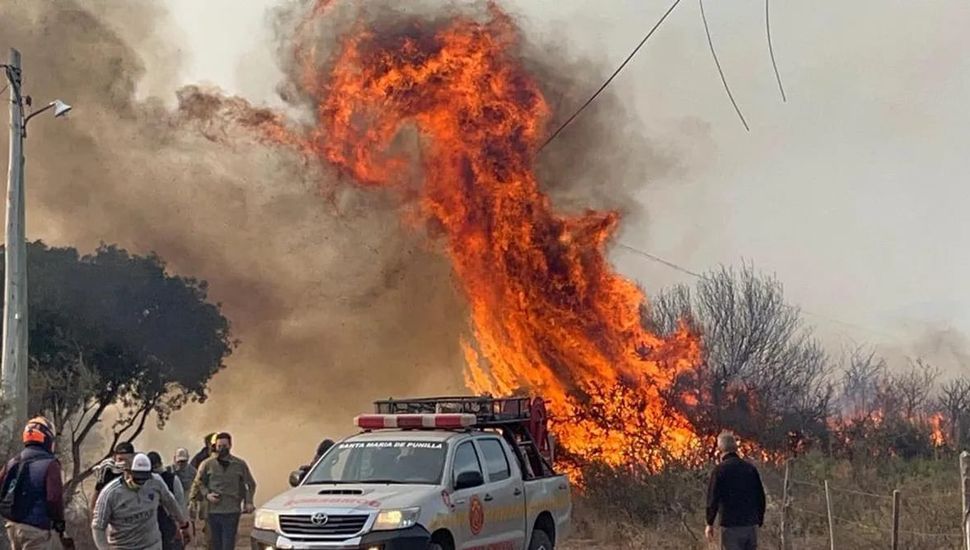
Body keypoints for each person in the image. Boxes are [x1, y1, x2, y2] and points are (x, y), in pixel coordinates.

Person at [92, 453, 191, 550]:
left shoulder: (155, 482)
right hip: (123, 546)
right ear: (128, 472)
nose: (141, 483)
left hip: (151, 544)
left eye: (144, 478)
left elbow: (170, 502)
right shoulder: (111, 493)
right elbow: (98, 527)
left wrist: (183, 525)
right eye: (137, 478)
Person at [0, 417, 70, 549]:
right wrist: (59, 524)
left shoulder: (14, 461)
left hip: (12, 527)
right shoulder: (50, 464)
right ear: (47, 437)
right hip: (37, 530)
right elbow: (54, 499)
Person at [190, 433, 256, 550]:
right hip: (212, 512)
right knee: (213, 544)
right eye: (219, 446)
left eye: (225, 446)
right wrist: (207, 495)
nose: (222, 449)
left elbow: (250, 484)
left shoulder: (239, 464)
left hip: (231, 511)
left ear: (230, 445)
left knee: (228, 544)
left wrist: (248, 501)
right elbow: (199, 482)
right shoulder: (207, 464)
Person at [705, 432, 767, 550]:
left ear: (720, 449)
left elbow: (713, 499)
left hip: (730, 526)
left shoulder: (719, 471)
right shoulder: (750, 469)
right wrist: (759, 519)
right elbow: (760, 496)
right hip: (750, 526)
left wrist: (709, 523)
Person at [148, 452, 185, 550]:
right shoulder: (145, 481)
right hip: (152, 527)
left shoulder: (171, 479)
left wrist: (181, 525)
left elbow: (179, 504)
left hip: (169, 525)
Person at [90, 442, 135, 511]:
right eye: (120, 459)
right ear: (115, 457)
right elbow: (97, 495)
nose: (124, 463)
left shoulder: (137, 469)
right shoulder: (107, 470)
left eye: (127, 460)